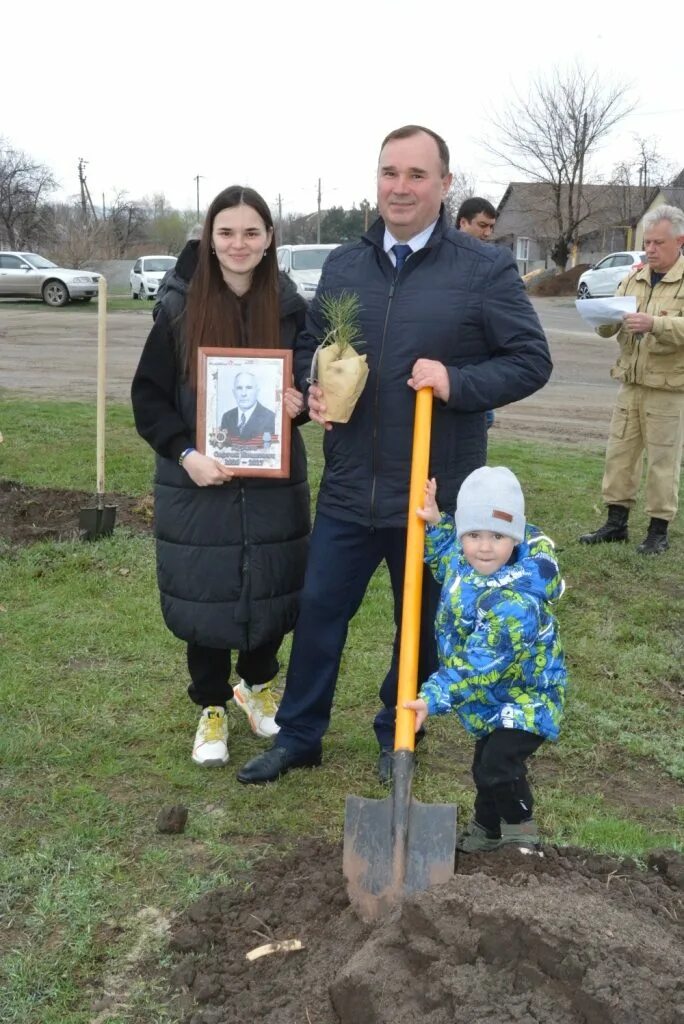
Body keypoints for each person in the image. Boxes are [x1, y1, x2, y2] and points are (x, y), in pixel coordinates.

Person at [237, 124, 552, 786]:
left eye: (415, 175)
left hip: (432, 498)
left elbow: (531, 360)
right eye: (389, 173)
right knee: (320, 611)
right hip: (351, 485)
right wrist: (312, 387)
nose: (399, 187)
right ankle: (300, 735)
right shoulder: (348, 266)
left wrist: (457, 382)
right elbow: (314, 346)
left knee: (423, 628)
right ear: (375, 181)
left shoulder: (483, 268)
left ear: (444, 184)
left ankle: (397, 730)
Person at [131, 186, 310, 767]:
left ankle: (257, 684)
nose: (239, 244)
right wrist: (186, 454)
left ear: (269, 240)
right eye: (226, 232)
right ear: (209, 238)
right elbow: (149, 398)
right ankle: (211, 703)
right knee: (205, 586)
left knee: (271, 576)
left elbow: (313, 388)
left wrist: (298, 403)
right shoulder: (180, 306)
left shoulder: (289, 307)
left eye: (251, 233)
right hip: (197, 480)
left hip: (270, 480)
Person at [404, 466, 567, 854]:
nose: (484, 547)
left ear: (516, 538)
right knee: (485, 766)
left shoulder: (516, 603)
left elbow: (477, 665)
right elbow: (447, 557)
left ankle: (520, 833)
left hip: (528, 700)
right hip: (496, 698)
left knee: (498, 766)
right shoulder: (468, 563)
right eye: (473, 534)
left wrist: (431, 697)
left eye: (497, 536)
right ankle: (487, 829)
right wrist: (438, 525)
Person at [579, 204, 684, 555]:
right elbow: (610, 323)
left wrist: (655, 324)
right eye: (647, 242)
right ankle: (616, 522)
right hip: (631, 383)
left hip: (668, 389)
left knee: (662, 461)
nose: (650, 249)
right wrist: (601, 317)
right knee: (620, 454)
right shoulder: (633, 277)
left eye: (657, 242)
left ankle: (658, 530)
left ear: (679, 241)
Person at [456, 197, 499, 429]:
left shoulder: (490, 263)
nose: (488, 233)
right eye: (482, 225)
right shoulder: (443, 259)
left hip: (478, 362)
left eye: (491, 227)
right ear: (463, 222)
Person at [220, 370, 276, 441]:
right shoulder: (227, 417)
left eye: (249, 388)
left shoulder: (271, 418)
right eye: (239, 388)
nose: (244, 394)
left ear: (257, 391)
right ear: (234, 393)